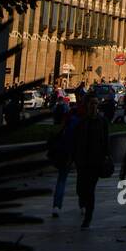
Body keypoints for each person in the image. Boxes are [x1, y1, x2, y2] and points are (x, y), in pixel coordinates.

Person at [73, 95, 110, 229]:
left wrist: (106, 156)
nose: (94, 106)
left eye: (96, 104)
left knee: (90, 190)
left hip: (95, 162)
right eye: (91, 104)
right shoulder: (82, 122)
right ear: (88, 106)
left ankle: (88, 217)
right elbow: (76, 142)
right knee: (81, 189)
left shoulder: (102, 122)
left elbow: (106, 141)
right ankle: (83, 202)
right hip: (82, 162)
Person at [47, 107, 78, 216]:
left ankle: (56, 205)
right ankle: (83, 204)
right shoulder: (79, 121)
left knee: (61, 179)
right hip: (74, 152)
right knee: (82, 179)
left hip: (64, 153)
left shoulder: (67, 122)